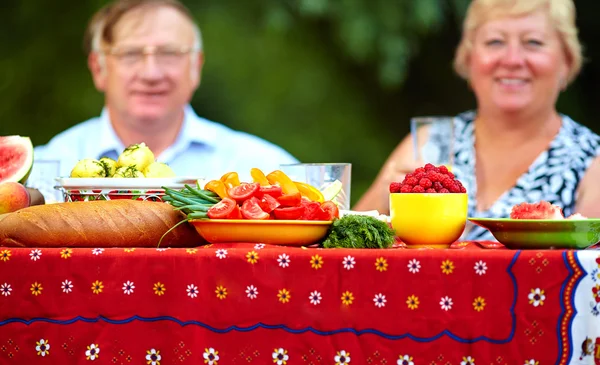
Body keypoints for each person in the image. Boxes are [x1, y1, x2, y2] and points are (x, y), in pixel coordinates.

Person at [354, 0, 600, 241]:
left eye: (533, 43)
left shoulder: (592, 162)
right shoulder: (431, 141)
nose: (512, 59)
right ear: (468, 60)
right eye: (495, 42)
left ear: (566, 62)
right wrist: (385, 196)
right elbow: (343, 250)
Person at [34, 0, 298, 183]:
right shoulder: (42, 173)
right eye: (130, 54)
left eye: (170, 53)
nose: (151, 73)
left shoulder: (265, 168)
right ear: (98, 69)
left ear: (196, 66)